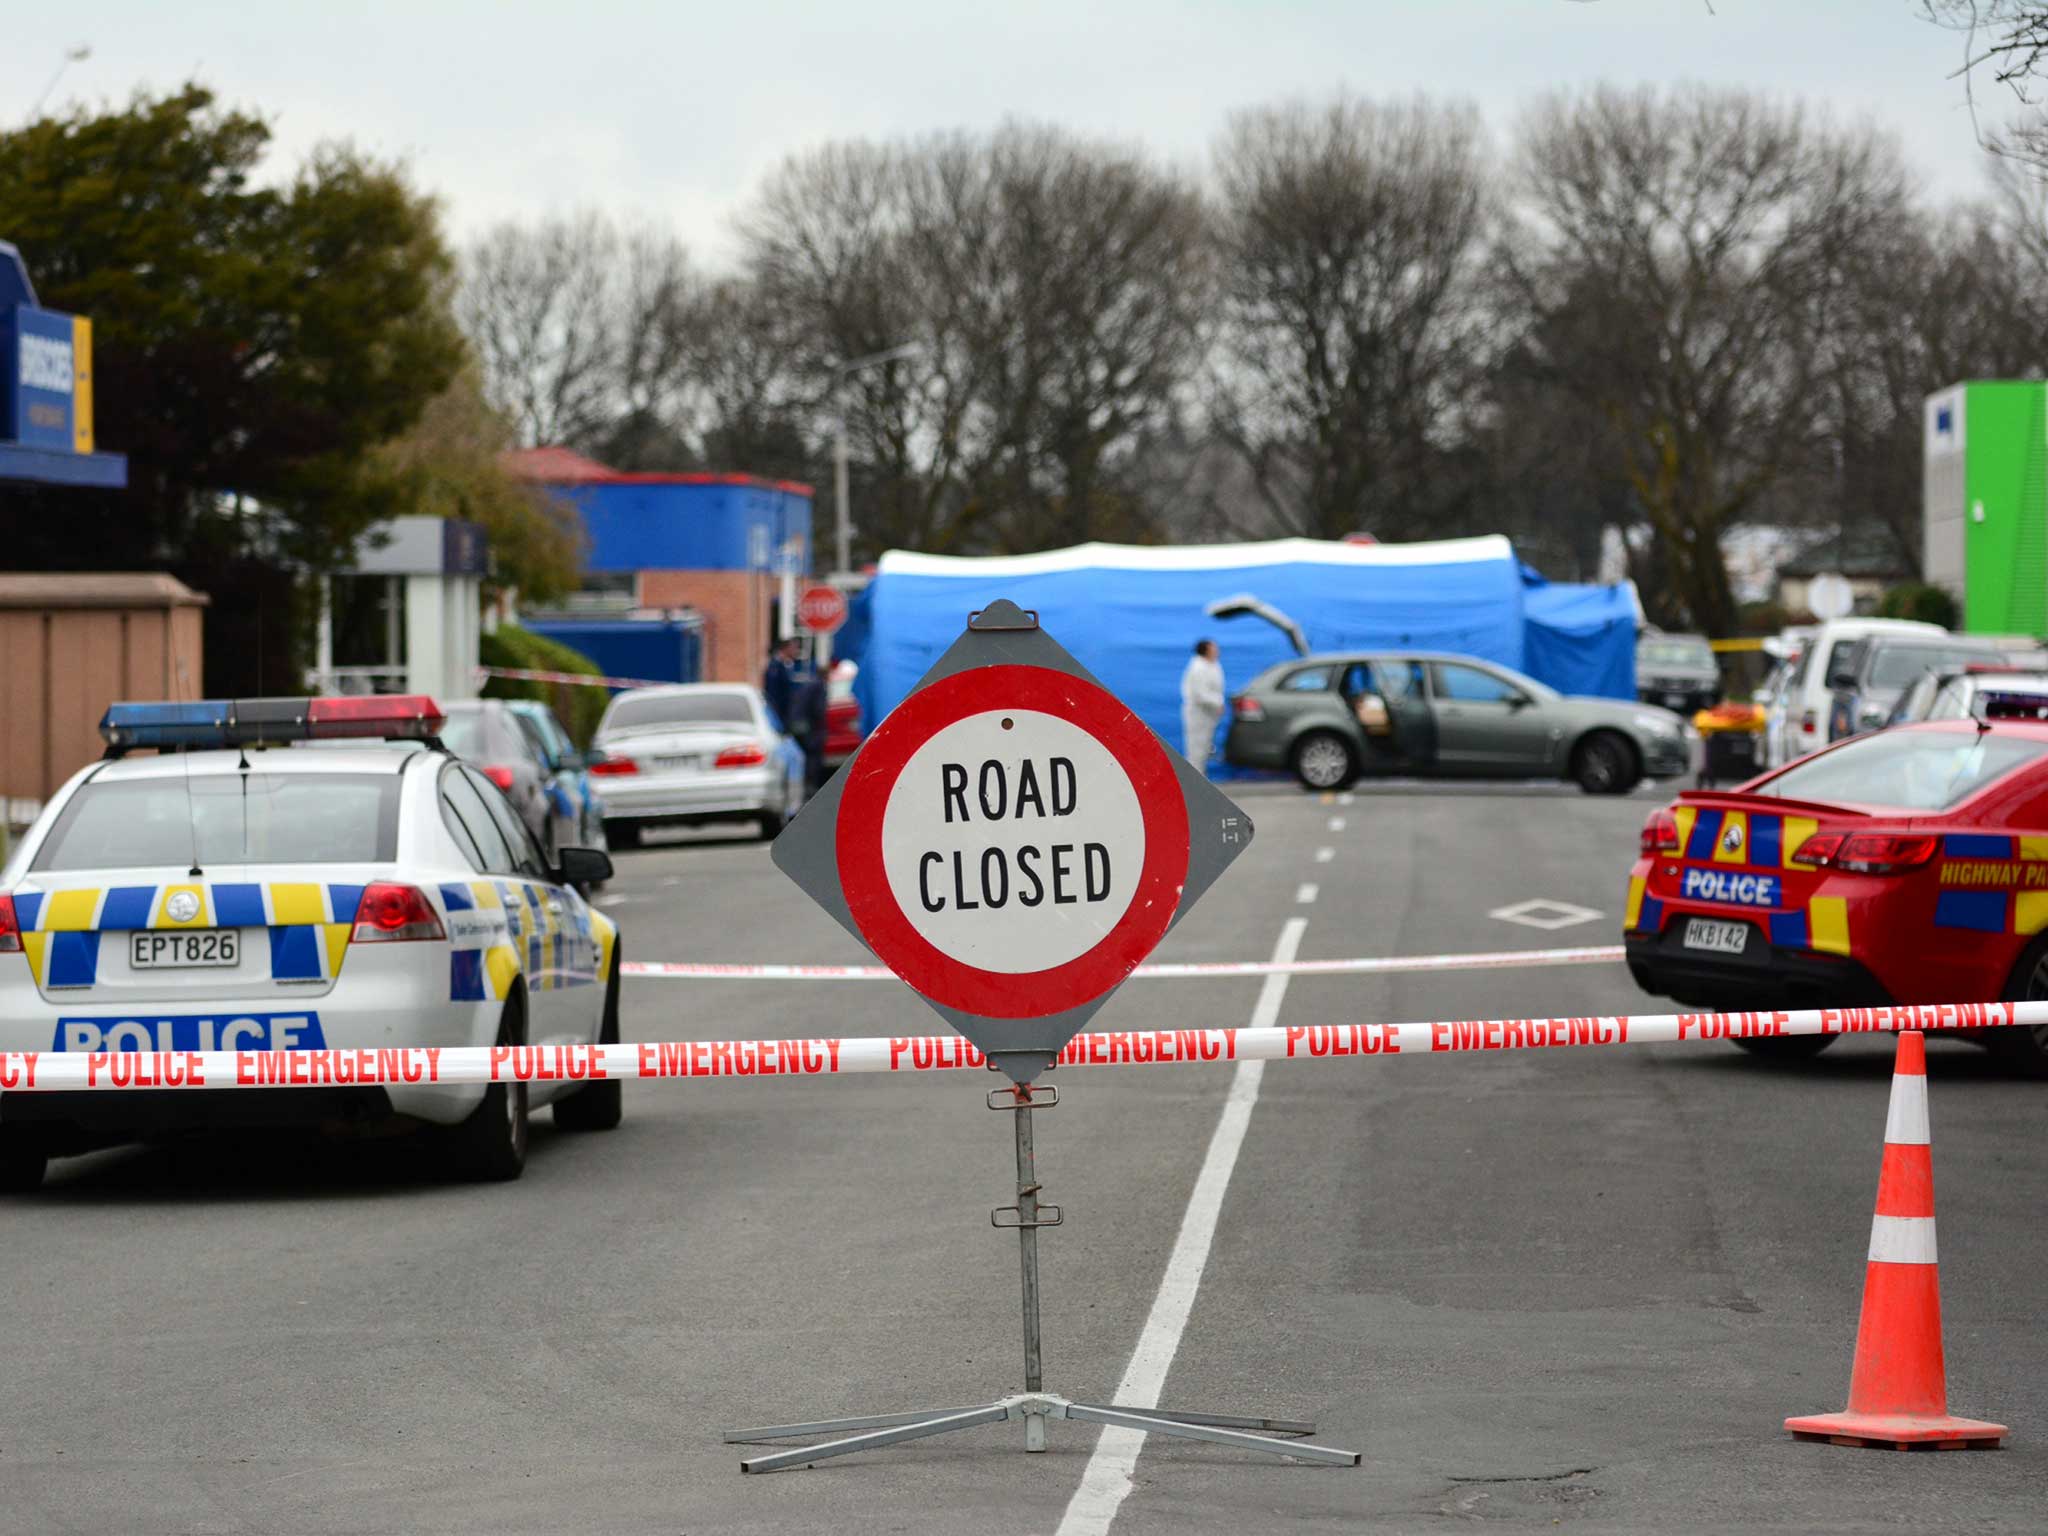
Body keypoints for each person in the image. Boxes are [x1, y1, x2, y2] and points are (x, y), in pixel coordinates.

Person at [1180, 638, 1225, 767]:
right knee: (1196, 749)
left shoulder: (1213, 665)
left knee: (1205, 748)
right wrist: (1218, 702)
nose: (1217, 650)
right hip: (1198, 713)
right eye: (1214, 647)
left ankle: (1200, 778)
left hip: (1209, 714)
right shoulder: (1198, 668)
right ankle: (1194, 779)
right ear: (1206, 650)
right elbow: (1200, 694)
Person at [762, 636, 801, 730]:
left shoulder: (786, 665)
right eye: (794, 648)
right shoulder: (775, 667)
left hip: (785, 715)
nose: (797, 651)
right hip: (779, 716)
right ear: (786, 649)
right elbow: (773, 693)